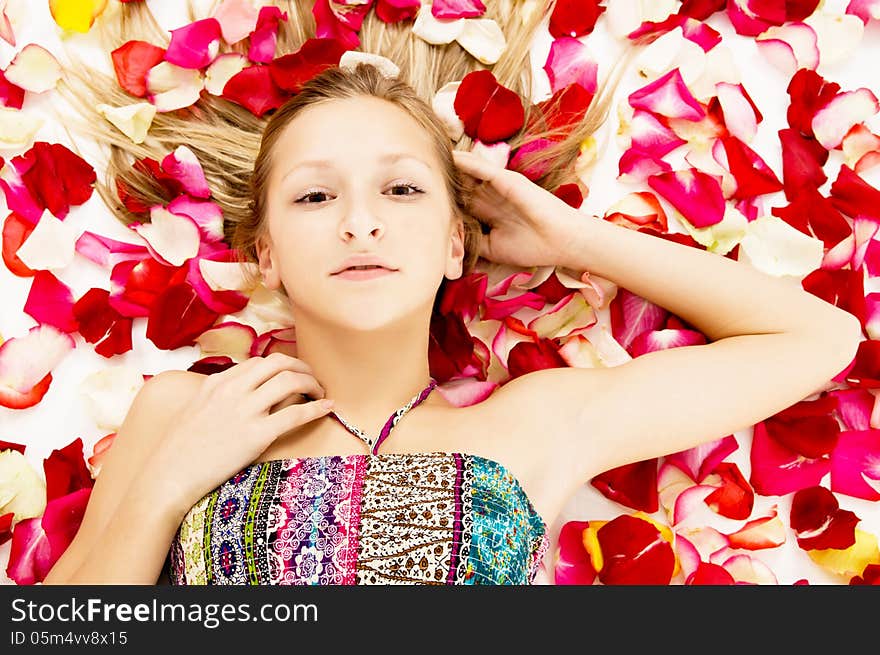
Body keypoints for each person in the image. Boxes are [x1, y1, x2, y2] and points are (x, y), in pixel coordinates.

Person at [42, 0, 860, 586]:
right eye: (315, 197)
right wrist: (165, 485)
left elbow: (818, 341)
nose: (361, 224)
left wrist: (576, 240)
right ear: (266, 256)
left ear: (452, 243)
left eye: (400, 192)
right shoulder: (178, 414)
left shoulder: (532, 423)